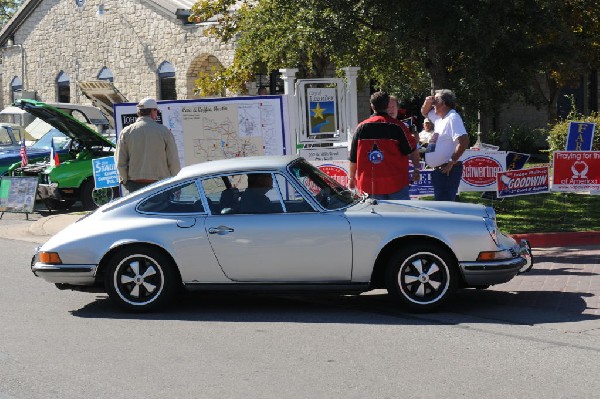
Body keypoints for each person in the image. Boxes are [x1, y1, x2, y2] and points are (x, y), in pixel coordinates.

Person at [348, 91, 418, 200]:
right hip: (396, 184)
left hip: (369, 186)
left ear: (372, 106)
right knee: (400, 216)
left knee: (373, 217)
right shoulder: (398, 127)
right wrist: (416, 168)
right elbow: (411, 149)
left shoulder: (361, 128)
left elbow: (353, 158)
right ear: (387, 106)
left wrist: (351, 178)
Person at [115, 97, 181, 194]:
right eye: (156, 111)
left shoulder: (126, 132)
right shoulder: (164, 131)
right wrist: (176, 181)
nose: (157, 113)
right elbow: (173, 160)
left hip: (134, 184)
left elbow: (120, 160)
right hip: (159, 184)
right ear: (152, 111)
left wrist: (124, 180)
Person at [420, 89, 470, 201]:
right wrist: (428, 102)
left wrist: (452, 161)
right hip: (440, 170)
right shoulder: (440, 118)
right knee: (442, 203)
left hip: (447, 170)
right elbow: (424, 112)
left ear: (444, 104)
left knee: (445, 204)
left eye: (436, 101)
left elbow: (464, 141)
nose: (433, 104)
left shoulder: (452, 117)